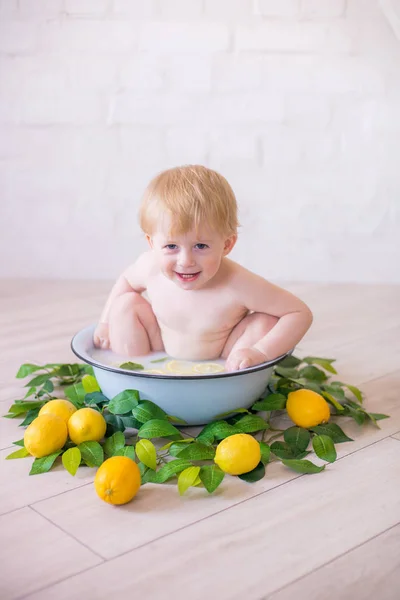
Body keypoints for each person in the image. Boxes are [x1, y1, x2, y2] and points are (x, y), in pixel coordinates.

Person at [93, 165, 313, 372]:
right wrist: (105, 323)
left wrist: (259, 352)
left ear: (226, 244)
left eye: (200, 246)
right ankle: (130, 370)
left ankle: (235, 377)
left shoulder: (238, 283)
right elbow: (125, 282)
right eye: (171, 246)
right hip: (159, 347)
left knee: (266, 321)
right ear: (152, 243)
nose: (185, 260)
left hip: (224, 356)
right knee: (125, 303)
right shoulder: (149, 266)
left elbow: (299, 313)